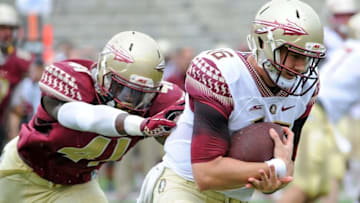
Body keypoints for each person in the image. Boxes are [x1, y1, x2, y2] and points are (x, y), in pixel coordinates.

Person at [138, 0, 326, 202]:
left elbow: (287, 165)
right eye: (292, 54)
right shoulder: (222, 74)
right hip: (185, 188)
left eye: (306, 57)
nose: (299, 67)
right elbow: (205, 173)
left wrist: (272, 180)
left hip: (238, 197)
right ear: (262, 42)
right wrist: (275, 168)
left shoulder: (307, 87)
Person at [0, 31, 185, 203]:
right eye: (121, 89)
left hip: (77, 185)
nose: (128, 101)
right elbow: (82, 116)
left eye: (140, 95)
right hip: (23, 172)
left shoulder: (161, 99)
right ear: (104, 71)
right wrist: (139, 125)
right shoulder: (75, 78)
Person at [278, 12, 360, 203]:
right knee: (307, 185)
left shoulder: (345, 50)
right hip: (315, 114)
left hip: (321, 116)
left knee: (329, 179)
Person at [0, 3, 32, 153]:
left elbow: (16, 102)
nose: (7, 34)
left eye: (11, 29)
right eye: (3, 28)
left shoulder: (20, 60)